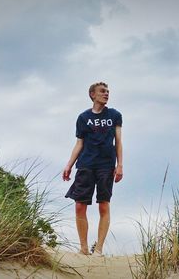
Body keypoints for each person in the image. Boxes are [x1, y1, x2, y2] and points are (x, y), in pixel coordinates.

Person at [63, 81, 123, 256]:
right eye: (102, 91)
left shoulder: (115, 115)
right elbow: (79, 143)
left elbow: (118, 142)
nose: (106, 94)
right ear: (92, 95)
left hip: (106, 165)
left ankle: (98, 249)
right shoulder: (83, 118)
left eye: (108, 91)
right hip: (86, 164)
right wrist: (69, 164)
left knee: (103, 205)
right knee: (80, 205)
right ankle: (83, 248)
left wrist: (120, 165)